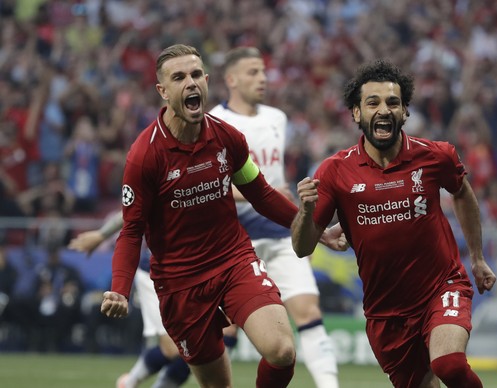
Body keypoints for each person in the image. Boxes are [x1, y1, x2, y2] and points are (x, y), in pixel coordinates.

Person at [99, 44, 344, 388]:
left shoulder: (227, 137)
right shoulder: (145, 156)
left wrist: (318, 231)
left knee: (282, 350)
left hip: (233, 262)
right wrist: (120, 290)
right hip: (180, 282)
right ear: (163, 91)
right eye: (179, 77)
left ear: (207, 80)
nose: (191, 83)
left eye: (196, 74)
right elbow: (131, 229)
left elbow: (260, 193)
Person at [290, 59, 497, 388]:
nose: (383, 110)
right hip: (385, 311)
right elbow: (302, 247)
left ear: (405, 113)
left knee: (449, 364)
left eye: (393, 103)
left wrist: (477, 257)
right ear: (357, 113)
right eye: (372, 103)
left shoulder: (436, 156)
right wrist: (305, 210)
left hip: (441, 287)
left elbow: (461, 193)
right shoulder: (334, 171)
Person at [208, 46, 340, 388]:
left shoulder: (277, 118)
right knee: (229, 327)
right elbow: (209, 184)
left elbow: (274, 178)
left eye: (263, 72)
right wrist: (257, 192)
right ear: (232, 79)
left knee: (308, 312)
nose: (262, 78)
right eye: (253, 72)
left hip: (280, 230)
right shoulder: (214, 123)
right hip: (236, 235)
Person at [68, 211, 190, 388]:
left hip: (196, 272)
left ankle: (130, 382)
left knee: (202, 347)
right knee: (175, 349)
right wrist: (102, 234)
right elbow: (133, 208)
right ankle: (131, 381)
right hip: (156, 274)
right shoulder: (168, 186)